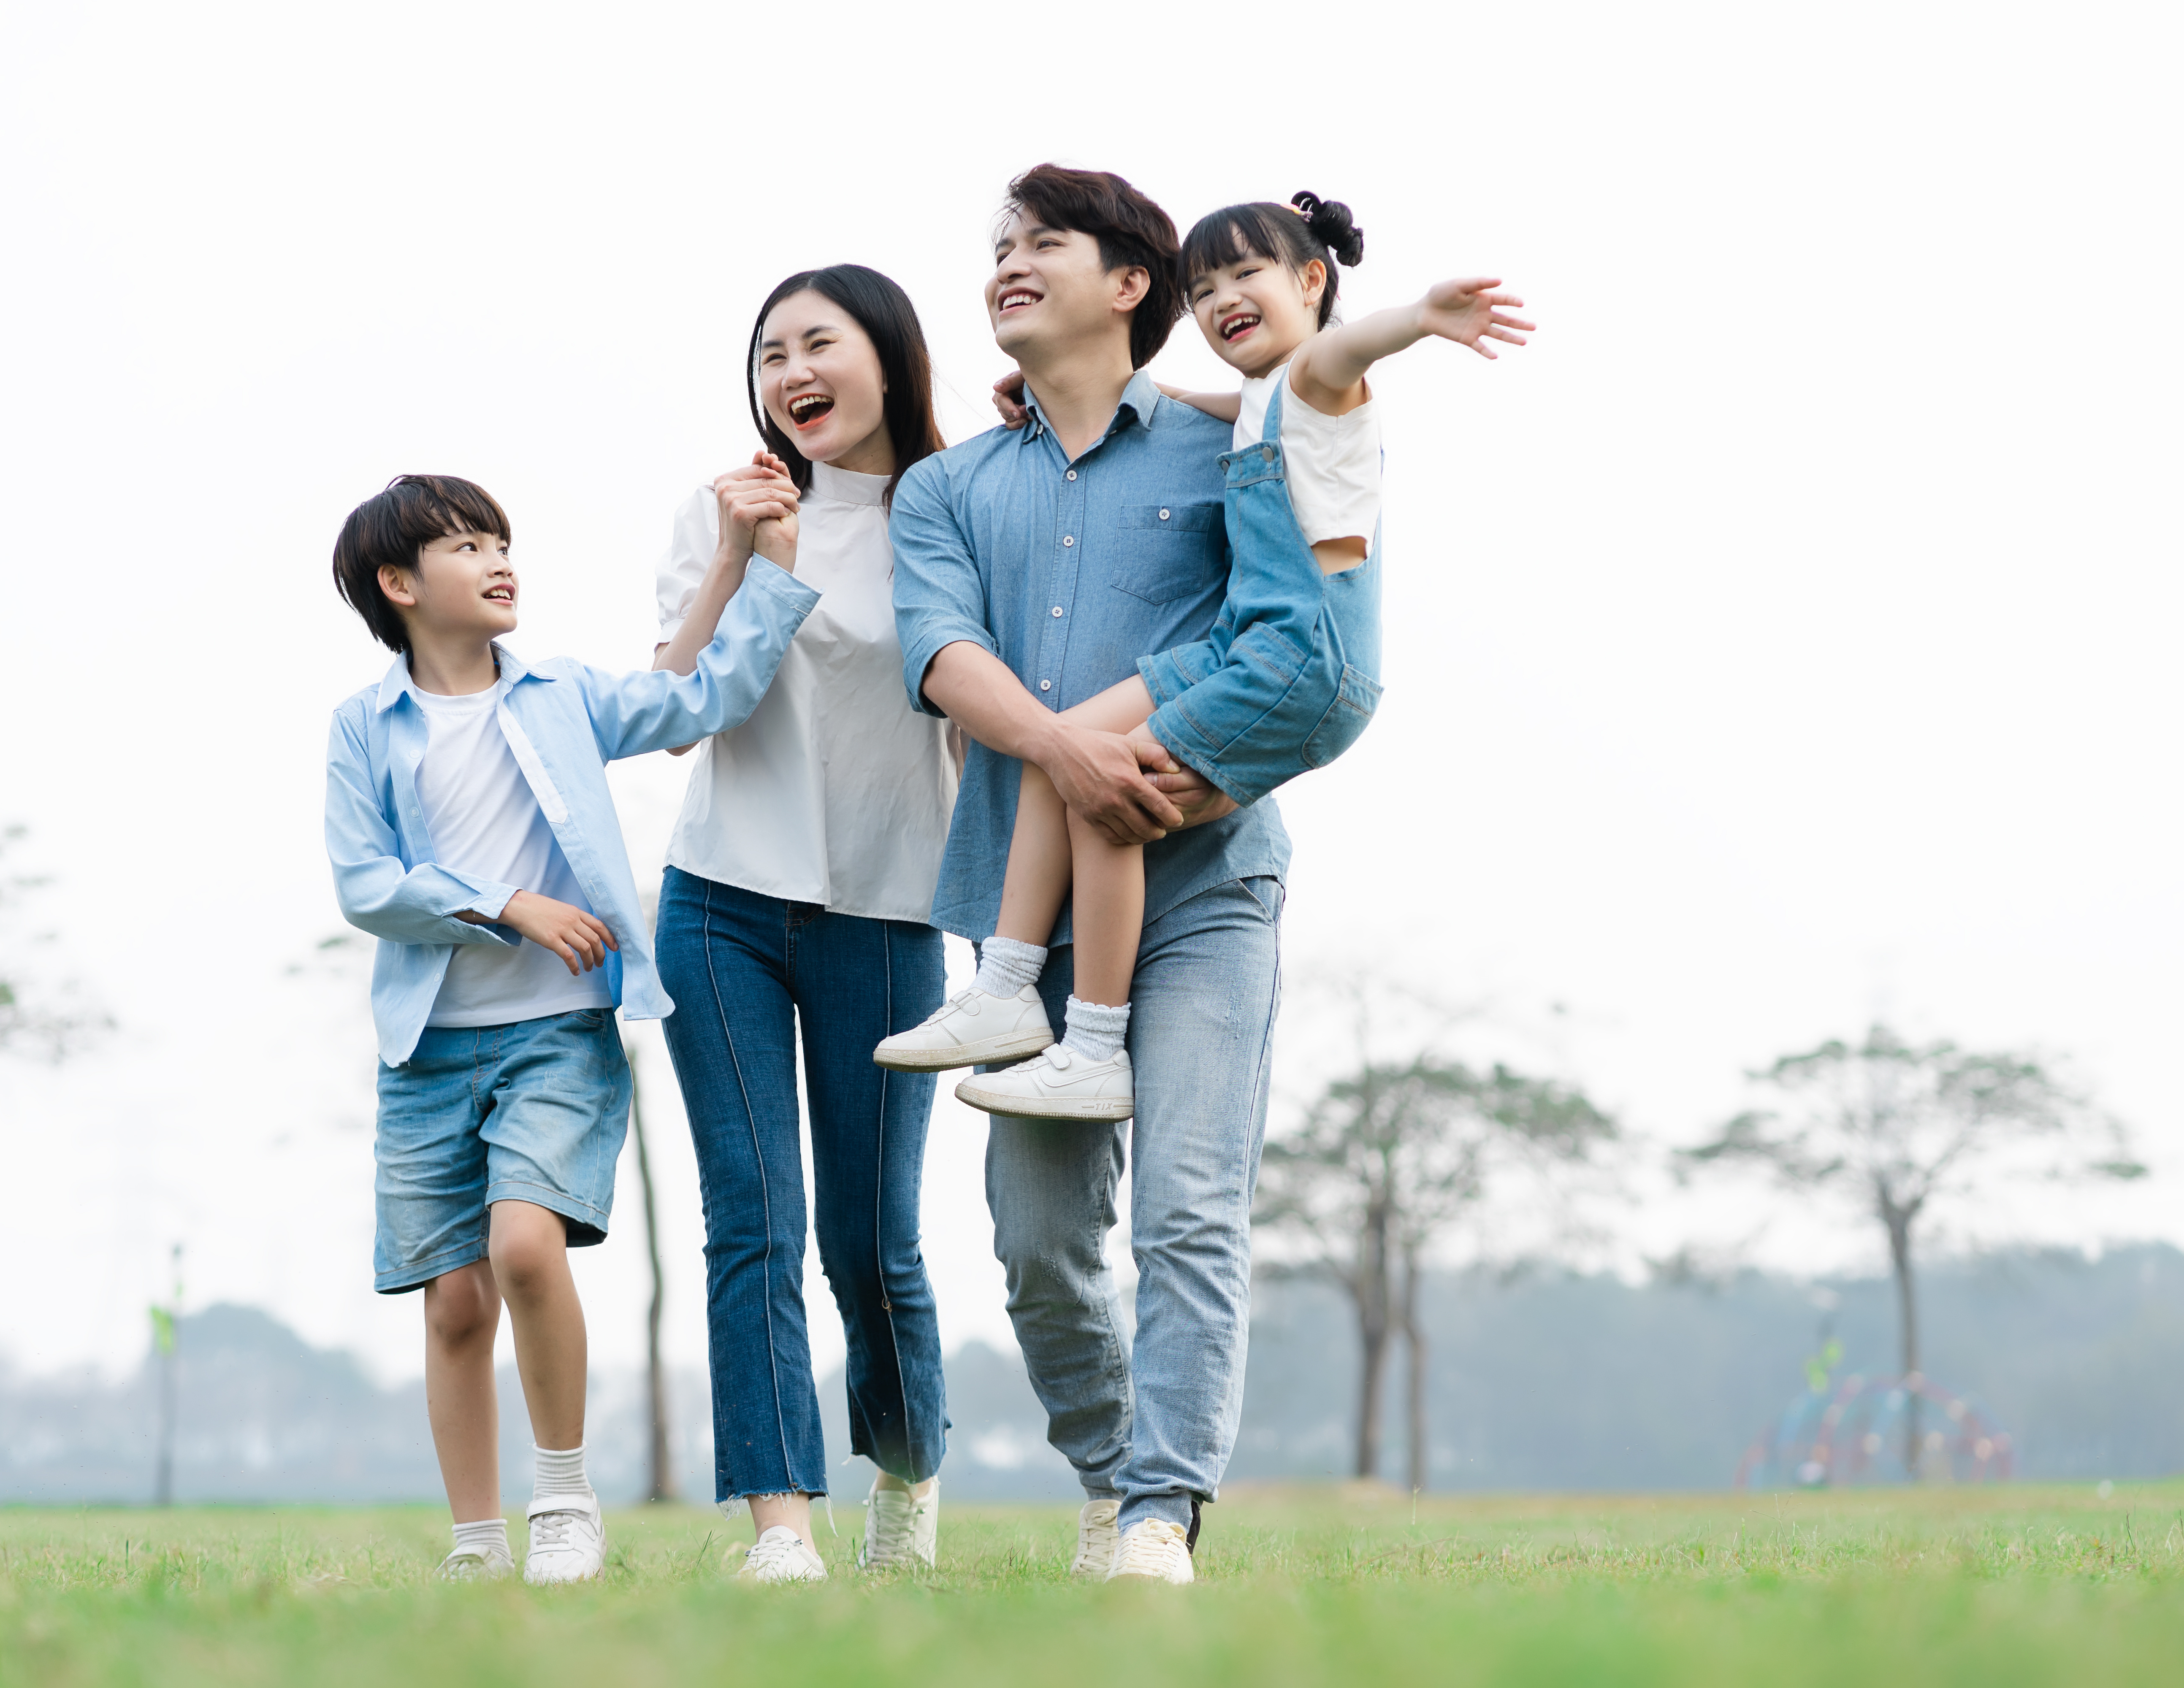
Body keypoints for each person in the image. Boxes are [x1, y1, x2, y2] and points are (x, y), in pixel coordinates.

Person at [877, 195, 1533, 1120]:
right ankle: (1006, 988)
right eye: (1205, 287)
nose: (1222, 297)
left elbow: (1341, 352)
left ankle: (1094, 1044)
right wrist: (1088, 398)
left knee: (1107, 789)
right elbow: (1215, 400)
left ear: (1312, 280)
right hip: (1244, 650)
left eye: (1247, 275)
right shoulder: (1262, 398)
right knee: (1060, 745)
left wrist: (1419, 320)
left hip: (1300, 657)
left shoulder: (1319, 377)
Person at [886, 162, 1303, 1585]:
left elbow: (1280, 632)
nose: (1008, 263)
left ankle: (1158, 1517)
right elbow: (943, 660)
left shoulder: (1235, 448)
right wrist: (1069, 754)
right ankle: (1110, 1465)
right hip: (1025, 916)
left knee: (1191, 1209)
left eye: (1042, 243)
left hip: (1209, 887)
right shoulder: (946, 486)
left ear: (1133, 286)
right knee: (1041, 1242)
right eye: (998, 246)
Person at [324, 473, 818, 1582]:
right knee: (454, 1302)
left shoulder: (559, 695)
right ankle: (475, 1544)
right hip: (426, 1052)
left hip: (558, 1035)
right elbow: (365, 884)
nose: (500, 558)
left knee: (525, 1248)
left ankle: (562, 1503)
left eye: (501, 539)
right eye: (465, 546)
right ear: (398, 586)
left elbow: (696, 698)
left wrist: (755, 565)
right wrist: (505, 907)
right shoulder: (364, 727)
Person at [652, 265, 961, 1584]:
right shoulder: (723, 509)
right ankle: (780, 1522)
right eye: (769, 353)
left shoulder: (958, 510)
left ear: (887, 357)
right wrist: (742, 557)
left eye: (816, 343)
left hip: (890, 914)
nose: (789, 374)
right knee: (753, 1217)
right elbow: (681, 703)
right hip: (722, 899)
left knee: (867, 1239)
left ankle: (906, 1467)